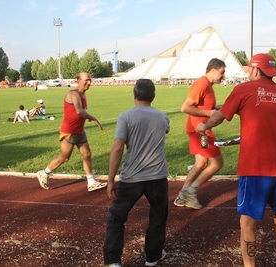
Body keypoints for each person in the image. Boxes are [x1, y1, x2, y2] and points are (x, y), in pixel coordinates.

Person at [197, 53, 276, 267]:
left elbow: (219, 116)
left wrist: (204, 127)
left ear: (255, 70)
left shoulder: (243, 89)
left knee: (247, 223)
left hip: (256, 168)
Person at [103, 79, 170, 267]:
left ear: (134, 95)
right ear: (153, 96)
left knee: (116, 217)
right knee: (158, 216)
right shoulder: (163, 117)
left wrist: (110, 181)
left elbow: (117, 149)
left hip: (131, 177)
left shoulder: (125, 117)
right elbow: (164, 132)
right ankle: (153, 257)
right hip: (157, 177)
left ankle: (112, 260)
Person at [36, 72, 106, 192]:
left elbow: (81, 112)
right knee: (65, 158)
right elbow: (79, 111)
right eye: (86, 80)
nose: (89, 82)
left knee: (87, 154)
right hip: (70, 131)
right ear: (78, 80)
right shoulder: (73, 94)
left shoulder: (83, 95)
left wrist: (87, 116)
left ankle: (91, 182)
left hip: (79, 130)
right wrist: (94, 118)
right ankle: (44, 173)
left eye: (90, 80)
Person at [173, 58, 225, 209]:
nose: (223, 75)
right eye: (222, 72)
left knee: (201, 163)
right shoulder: (202, 83)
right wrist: (210, 112)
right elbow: (185, 107)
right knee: (217, 163)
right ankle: (190, 191)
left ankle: (183, 195)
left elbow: (205, 106)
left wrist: (218, 109)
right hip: (200, 132)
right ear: (213, 70)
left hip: (196, 129)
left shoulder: (207, 84)